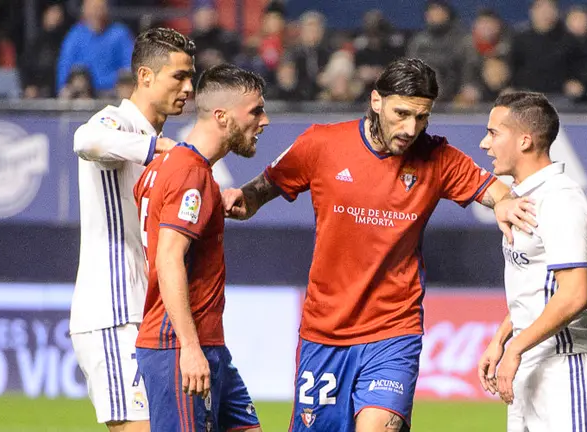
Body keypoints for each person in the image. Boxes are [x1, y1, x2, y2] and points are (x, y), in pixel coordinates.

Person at [222, 57, 535, 432]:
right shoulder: (321, 143)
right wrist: (240, 200)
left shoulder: (438, 157)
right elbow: (262, 189)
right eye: (401, 113)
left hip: (393, 330)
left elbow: (497, 192)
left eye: (422, 117)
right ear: (376, 101)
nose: (410, 128)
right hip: (325, 333)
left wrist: (505, 204)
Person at [69, 27, 195, 431]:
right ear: (145, 76)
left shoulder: (158, 138)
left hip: (145, 312)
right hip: (113, 311)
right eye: (179, 76)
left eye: (191, 77)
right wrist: (157, 148)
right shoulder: (116, 122)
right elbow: (84, 140)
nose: (189, 88)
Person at [133, 64, 269, 432]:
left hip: (207, 344)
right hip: (179, 346)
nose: (265, 120)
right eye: (255, 111)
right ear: (222, 116)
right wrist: (190, 349)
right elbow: (169, 257)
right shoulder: (190, 174)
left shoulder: (167, 167)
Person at [476, 91, 587, 432]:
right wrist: (503, 337)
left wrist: (516, 346)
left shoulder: (560, 200)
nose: (483, 144)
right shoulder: (522, 199)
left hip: (564, 361)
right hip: (530, 356)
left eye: (493, 133)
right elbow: (538, 286)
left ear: (524, 140)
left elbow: (574, 294)